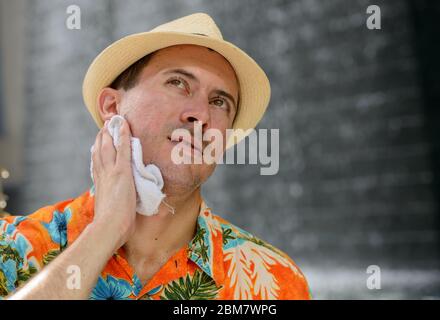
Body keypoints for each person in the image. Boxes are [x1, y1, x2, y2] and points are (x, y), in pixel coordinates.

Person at [0, 13, 311, 300]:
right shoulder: (12, 247)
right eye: (178, 83)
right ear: (112, 107)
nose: (200, 115)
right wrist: (106, 230)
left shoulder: (275, 283)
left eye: (219, 102)